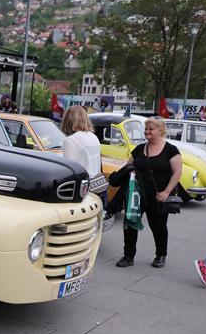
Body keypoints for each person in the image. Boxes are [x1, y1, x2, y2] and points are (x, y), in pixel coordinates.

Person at [114, 117, 182, 269]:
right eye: (146, 129)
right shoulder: (139, 149)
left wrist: (166, 191)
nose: (147, 132)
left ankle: (161, 255)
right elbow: (128, 166)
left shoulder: (171, 150)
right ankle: (128, 256)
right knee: (130, 225)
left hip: (158, 196)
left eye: (151, 129)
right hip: (137, 196)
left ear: (160, 131)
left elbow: (177, 172)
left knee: (158, 226)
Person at [61, 105, 102, 179]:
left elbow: (69, 171)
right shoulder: (94, 137)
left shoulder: (70, 141)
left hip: (82, 186)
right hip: (96, 185)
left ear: (68, 120)